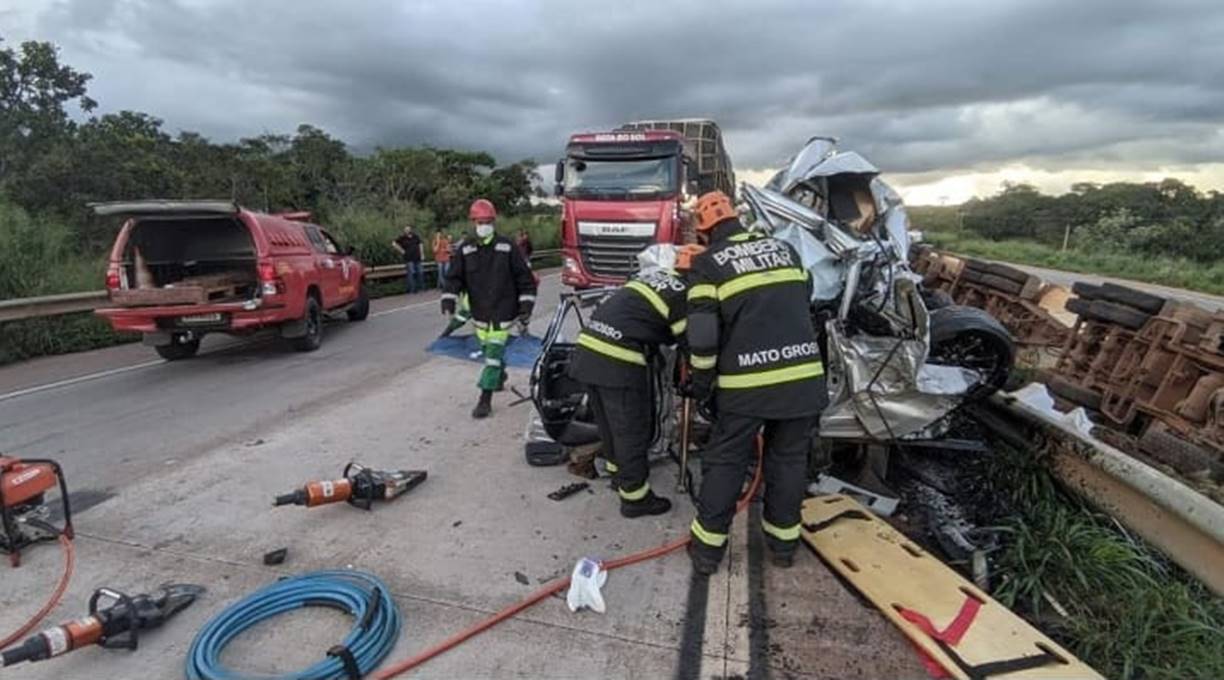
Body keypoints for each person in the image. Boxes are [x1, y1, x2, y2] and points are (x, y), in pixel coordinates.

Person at [684, 190, 827, 575]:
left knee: (726, 461)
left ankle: (707, 551)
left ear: (704, 231)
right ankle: (783, 547)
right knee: (789, 461)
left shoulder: (709, 264)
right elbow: (806, 297)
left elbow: (701, 337)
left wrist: (701, 386)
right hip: (803, 381)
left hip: (746, 386)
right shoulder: (786, 251)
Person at [567, 244, 702, 518]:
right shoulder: (682, 294)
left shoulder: (650, 279)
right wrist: (702, 379)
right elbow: (691, 343)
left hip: (587, 351)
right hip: (617, 360)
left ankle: (620, 476)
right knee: (631, 430)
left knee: (609, 424)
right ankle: (635, 498)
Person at [442, 199, 537, 419]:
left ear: (493, 222)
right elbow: (454, 277)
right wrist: (449, 298)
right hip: (480, 314)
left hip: (503, 312)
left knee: (492, 355)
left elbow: (525, 279)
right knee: (489, 352)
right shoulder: (466, 249)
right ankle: (500, 374)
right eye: (480, 221)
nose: (484, 225)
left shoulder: (507, 247)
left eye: (487, 221)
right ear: (473, 222)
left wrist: (525, 306)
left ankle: (484, 400)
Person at [391, 225, 424, 294]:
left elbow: (420, 244)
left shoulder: (415, 236)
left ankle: (421, 288)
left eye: (408, 229)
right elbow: (394, 243)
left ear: (411, 230)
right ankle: (412, 289)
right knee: (411, 273)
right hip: (409, 258)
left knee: (420, 272)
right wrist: (401, 251)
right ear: (404, 230)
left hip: (417, 258)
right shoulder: (402, 238)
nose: (407, 230)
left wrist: (422, 254)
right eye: (406, 229)